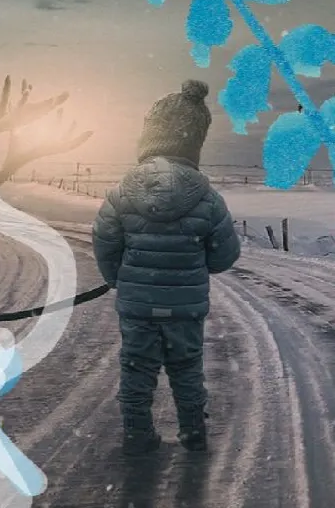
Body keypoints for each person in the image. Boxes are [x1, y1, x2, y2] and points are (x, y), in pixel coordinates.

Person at [92, 80, 241, 455]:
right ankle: (193, 433)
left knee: (137, 370)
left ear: (150, 137)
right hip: (185, 309)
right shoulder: (207, 197)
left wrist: (119, 280)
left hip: (138, 306)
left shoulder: (122, 191)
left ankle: (138, 437)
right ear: (194, 142)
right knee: (187, 368)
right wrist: (194, 263)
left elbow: (105, 243)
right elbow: (224, 257)